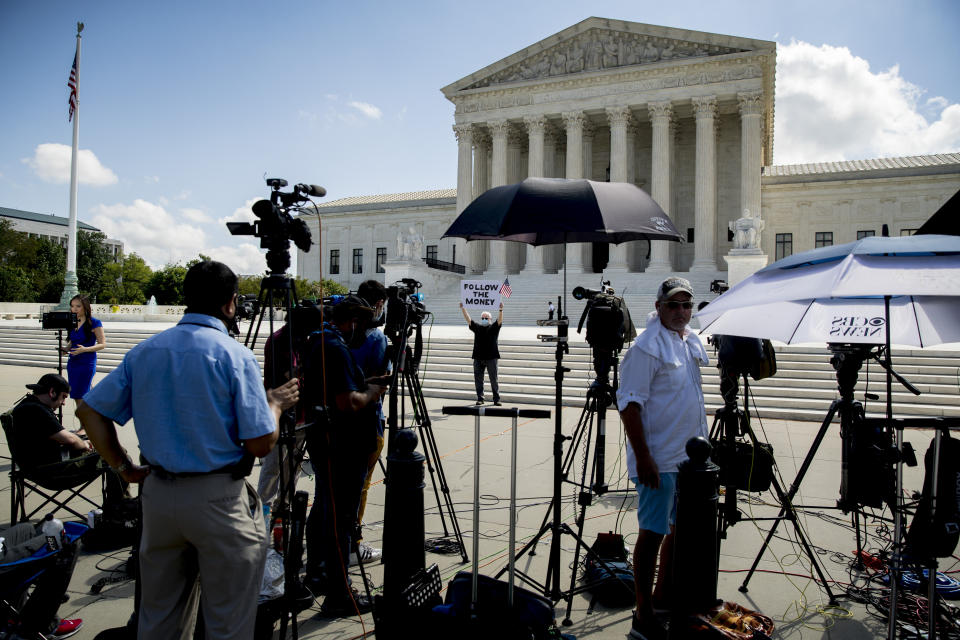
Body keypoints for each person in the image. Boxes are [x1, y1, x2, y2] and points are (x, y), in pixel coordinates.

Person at [76, 260, 299, 640]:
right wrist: (275, 405)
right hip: (218, 499)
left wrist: (122, 466)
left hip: (159, 495)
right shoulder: (234, 355)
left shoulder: (147, 350)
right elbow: (260, 443)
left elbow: (88, 410)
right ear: (231, 304)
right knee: (228, 621)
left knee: (159, 618)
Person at [615, 277, 709, 640]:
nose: (681, 312)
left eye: (686, 305)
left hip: (687, 460)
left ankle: (663, 596)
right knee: (652, 534)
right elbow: (629, 406)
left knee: (676, 531)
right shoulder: (645, 348)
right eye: (673, 305)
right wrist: (644, 459)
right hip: (660, 459)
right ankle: (643, 611)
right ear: (658, 307)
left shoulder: (688, 341)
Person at [303, 295, 386, 616]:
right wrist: (374, 391)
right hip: (342, 447)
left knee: (326, 511)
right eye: (360, 323)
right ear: (351, 321)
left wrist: (364, 383)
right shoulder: (335, 347)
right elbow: (347, 402)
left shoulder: (317, 342)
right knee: (341, 520)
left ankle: (320, 574)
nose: (361, 330)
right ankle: (340, 593)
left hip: (326, 444)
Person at [9, 373, 126, 505]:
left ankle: (120, 502)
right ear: (52, 392)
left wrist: (83, 440)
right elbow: (69, 440)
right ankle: (118, 506)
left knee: (102, 445)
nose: (64, 403)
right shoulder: (36, 410)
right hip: (50, 472)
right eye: (63, 397)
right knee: (116, 454)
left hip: (38, 466)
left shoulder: (28, 405)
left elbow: (60, 436)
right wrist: (85, 445)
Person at [351, 280, 390, 565]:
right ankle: (354, 545)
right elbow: (381, 380)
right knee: (360, 485)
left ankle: (334, 540)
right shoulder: (375, 338)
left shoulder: (338, 331)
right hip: (366, 418)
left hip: (335, 417)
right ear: (377, 305)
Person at [65, 295, 105, 434]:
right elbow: (72, 342)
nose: (74, 309)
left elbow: (102, 344)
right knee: (80, 393)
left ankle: (85, 427)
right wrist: (66, 349)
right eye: (72, 306)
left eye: (78, 306)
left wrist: (84, 349)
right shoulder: (72, 322)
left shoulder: (94, 322)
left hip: (86, 362)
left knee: (79, 394)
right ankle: (90, 424)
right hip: (73, 362)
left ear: (85, 307)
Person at [459, 301, 503, 406]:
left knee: (493, 379)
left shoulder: (493, 328)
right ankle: (480, 398)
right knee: (478, 379)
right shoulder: (477, 327)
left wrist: (501, 310)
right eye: (482, 318)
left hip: (491, 357)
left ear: (490, 319)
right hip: (478, 357)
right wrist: (463, 308)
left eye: (486, 318)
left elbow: (500, 320)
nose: (484, 319)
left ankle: (496, 399)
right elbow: (468, 320)